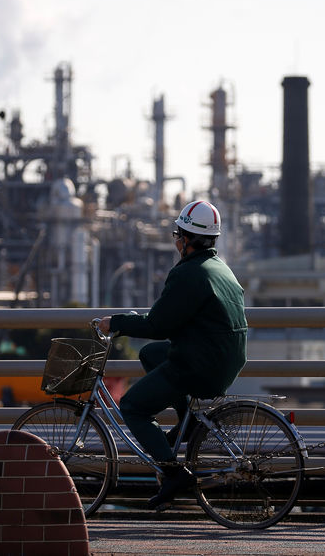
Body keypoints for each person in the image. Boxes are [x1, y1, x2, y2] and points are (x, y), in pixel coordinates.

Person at [98, 200, 247, 510]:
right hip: (223, 360)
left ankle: (172, 472)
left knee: (133, 406)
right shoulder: (221, 269)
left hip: (198, 364)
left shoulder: (189, 273)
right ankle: (187, 423)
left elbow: (158, 324)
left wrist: (117, 322)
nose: (176, 240)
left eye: (178, 234)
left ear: (187, 239)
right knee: (152, 355)